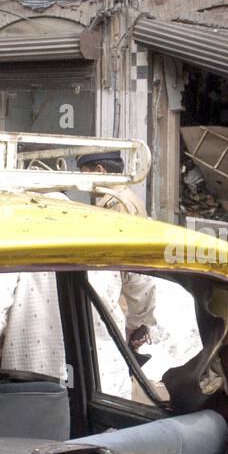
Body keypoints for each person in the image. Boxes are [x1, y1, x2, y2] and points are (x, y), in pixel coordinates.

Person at [76, 151, 157, 363]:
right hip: (125, 302)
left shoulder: (116, 204)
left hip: (118, 302)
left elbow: (130, 267)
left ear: (100, 171)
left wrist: (135, 323)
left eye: (85, 174)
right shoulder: (127, 197)